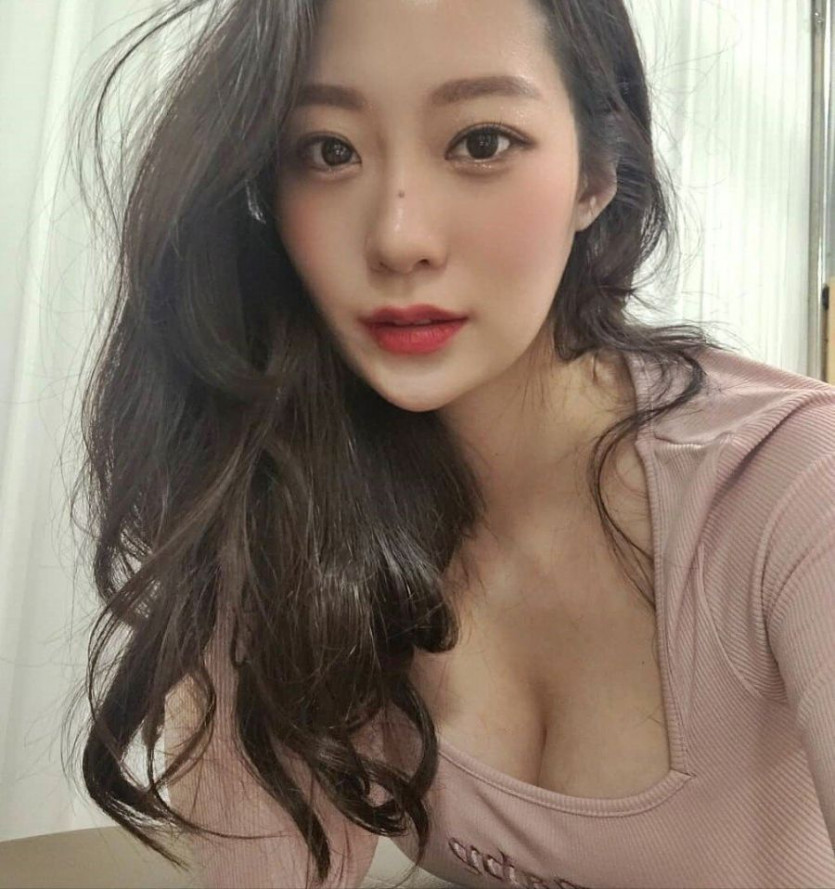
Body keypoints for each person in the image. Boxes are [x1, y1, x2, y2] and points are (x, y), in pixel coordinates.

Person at [67, 0, 835, 887]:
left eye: (480, 142)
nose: (399, 240)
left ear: (597, 173)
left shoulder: (792, 485)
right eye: (328, 151)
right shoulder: (295, 493)